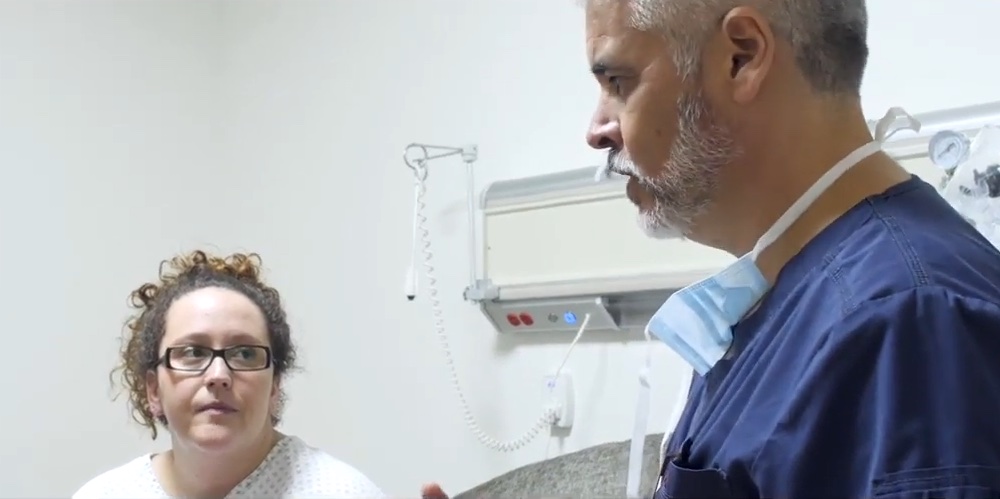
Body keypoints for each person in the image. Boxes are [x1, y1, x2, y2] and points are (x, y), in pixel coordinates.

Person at [424, 0, 1000, 498]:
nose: (597, 127)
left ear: (741, 56)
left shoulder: (908, 322)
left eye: (618, 82)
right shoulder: (786, 298)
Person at [74, 250, 385, 498]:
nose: (218, 375)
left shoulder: (342, 492)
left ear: (275, 384)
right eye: (193, 352)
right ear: (153, 390)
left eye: (245, 353)